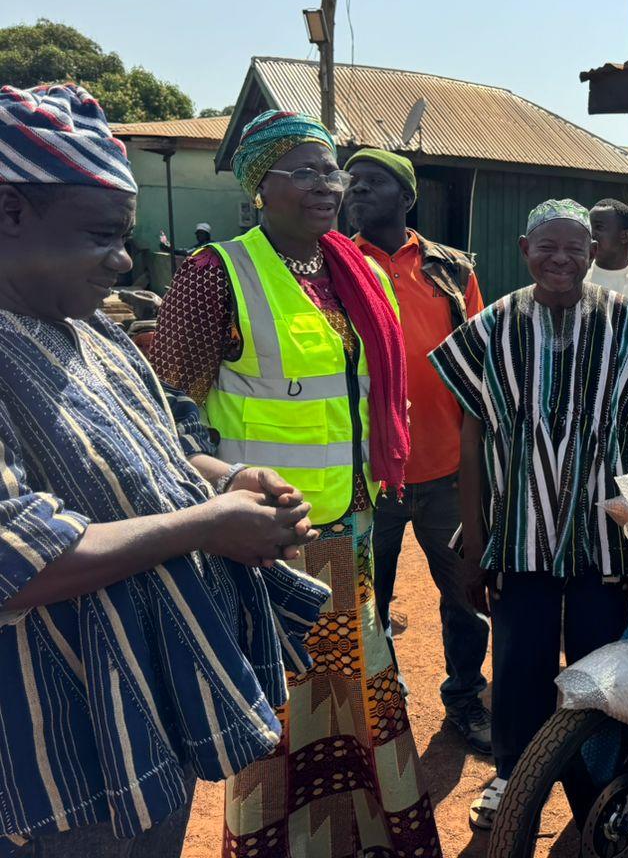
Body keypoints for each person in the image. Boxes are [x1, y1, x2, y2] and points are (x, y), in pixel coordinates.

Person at [0, 84, 329, 857]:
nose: (122, 260)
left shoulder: (93, 334)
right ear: (9, 212)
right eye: (101, 236)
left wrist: (226, 480)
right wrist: (207, 525)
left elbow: (166, 447)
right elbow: (13, 561)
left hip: (144, 717)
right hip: (55, 758)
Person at [149, 111, 442, 858]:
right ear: (259, 187)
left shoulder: (359, 271)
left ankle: (361, 841)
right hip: (265, 540)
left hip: (350, 531)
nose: (327, 186)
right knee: (280, 711)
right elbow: (169, 411)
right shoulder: (214, 274)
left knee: (359, 703)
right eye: (306, 171)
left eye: (332, 171)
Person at [429, 199, 628, 830]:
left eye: (576, 247)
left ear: (593, 253)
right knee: (520, 660)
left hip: (604, 533)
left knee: (602, 660)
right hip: (518, 531)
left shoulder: (627, 322)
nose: (562, 260)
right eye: (547, 246)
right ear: (524, 249)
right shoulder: (489, 328)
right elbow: (468, 438)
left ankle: (596, 779)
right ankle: (512, 775)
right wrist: (475, 541)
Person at [347, 146, 492, 754]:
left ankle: (463, 697)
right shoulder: (332, 266)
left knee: (464, 593)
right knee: (366, 602)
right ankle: (380, 708)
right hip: (366, 473)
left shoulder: (450, 269)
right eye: (351, 180)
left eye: (373, 181)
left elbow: (480, 363)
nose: (356, 188)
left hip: (447, 470)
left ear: (406, 196)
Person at [583, 198, 628, 302]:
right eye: (589, 228)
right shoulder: (578, 279)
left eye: (599, 227)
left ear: (624, 236)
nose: (591, 234)